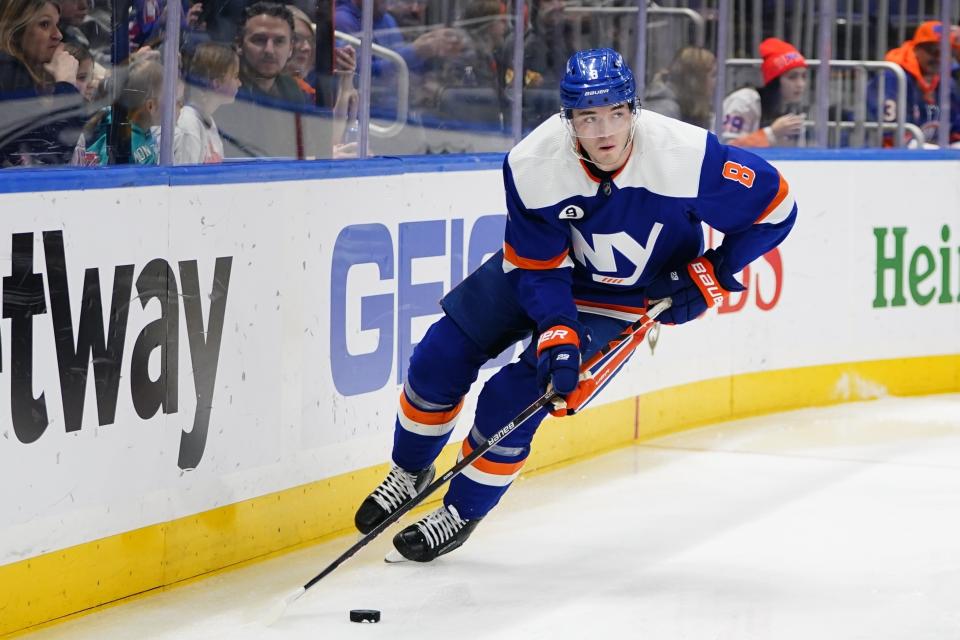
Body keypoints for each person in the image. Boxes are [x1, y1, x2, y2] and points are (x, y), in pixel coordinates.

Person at [353, 47, 798, 563]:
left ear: (634, 109)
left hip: (625, 296)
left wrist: (714, 270)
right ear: (568, 120)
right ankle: (410, 469)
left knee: (513, 400)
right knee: (439, 354)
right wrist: (558, 329)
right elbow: (538, 265)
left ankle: (461, 510)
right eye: (588, 117)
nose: (604, 131)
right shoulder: (532, 162)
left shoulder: (687, 156)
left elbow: (777, 207)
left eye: (616, 113)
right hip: (541, 274)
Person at [0, 0, 87, 167]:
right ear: (16, 32)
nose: (58, 35)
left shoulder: (26, 75)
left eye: (57, 24)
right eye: (45, 24)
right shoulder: (7, 72)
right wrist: (66, 85)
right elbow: (49, 156)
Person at [867, 21, 960, 147]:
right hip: (886, 158)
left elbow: (956, 129)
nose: (939, 58)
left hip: (930, 156)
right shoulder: (893, 78)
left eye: (947, 53)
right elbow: (891, 135)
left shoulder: (948, 83)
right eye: (934, 51)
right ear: (916, 49)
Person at [721, 37, 807, 147]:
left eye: (804, 76)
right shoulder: (744, 101)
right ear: (774, 81)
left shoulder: (792, 108)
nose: (801, 84)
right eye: (792, 77)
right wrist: (771, 133)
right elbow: (726, 147)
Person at [76, 59, 164, 165]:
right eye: (173, 101)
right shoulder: (124, 142)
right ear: (151, 106)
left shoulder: (143, 133)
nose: (177, 107)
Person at [175, 42, 239, 164]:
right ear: (217, 83)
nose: (239, 83)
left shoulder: (207, 120)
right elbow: (184, 179)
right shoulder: (188, 125)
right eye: (235, 76)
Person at [644, 46, 717, 130]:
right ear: (696, 79)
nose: (716, 82)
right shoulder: (664, 111)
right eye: (713, 75)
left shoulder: (689, 109)